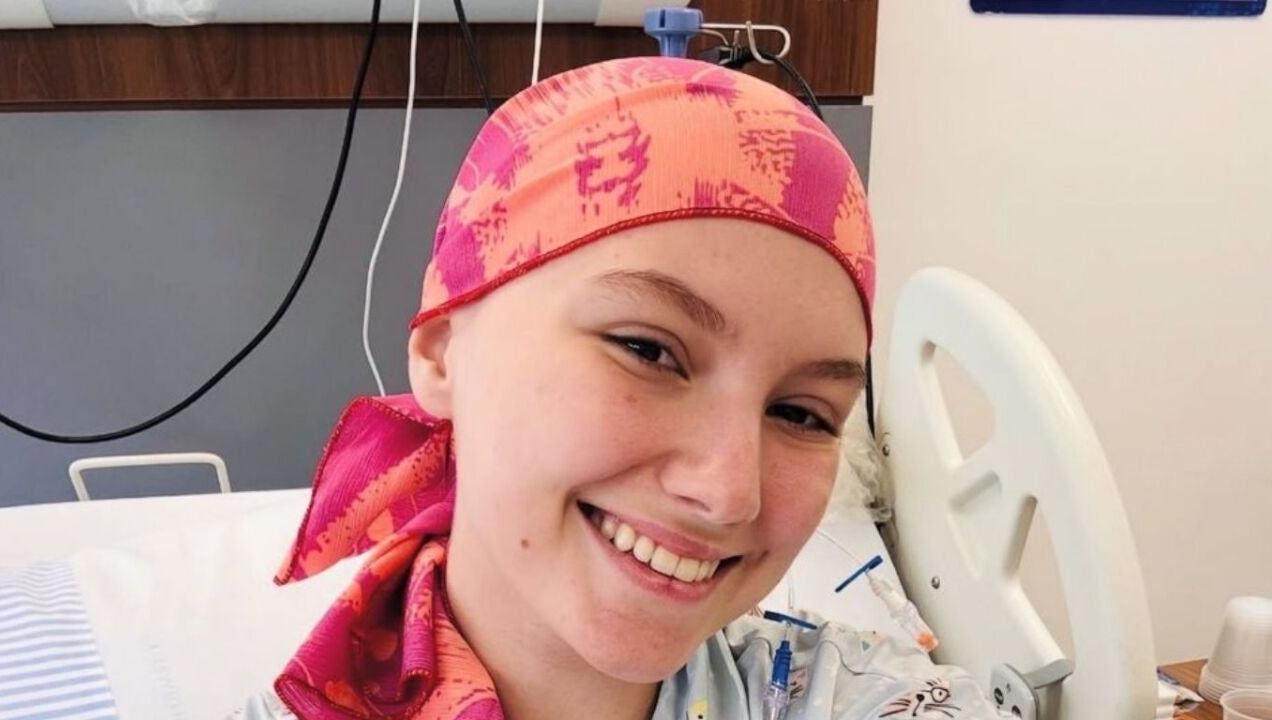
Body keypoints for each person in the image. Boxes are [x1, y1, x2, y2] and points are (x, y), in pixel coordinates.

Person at [235, 56, 1007, 720]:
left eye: (801, 414)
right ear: (442, 352)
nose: (728, 493)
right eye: (648, 351)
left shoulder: (848, 695)